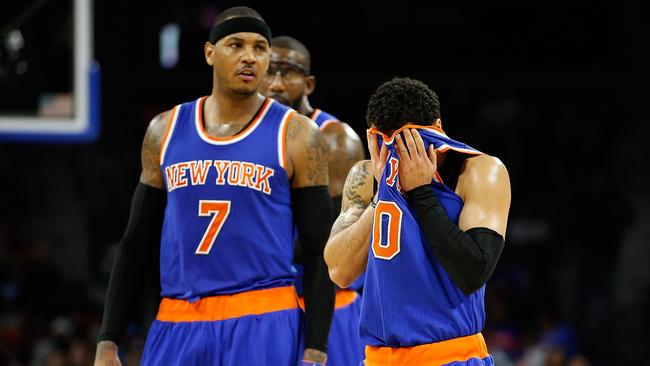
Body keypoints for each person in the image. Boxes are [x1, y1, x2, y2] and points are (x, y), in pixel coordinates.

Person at [93, 6, 335, 366]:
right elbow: (136, 243)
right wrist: (108, 341)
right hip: (178, 319)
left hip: (262, 318)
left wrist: (315, 350)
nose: (249, 57)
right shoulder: (165, 130)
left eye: (259, 48)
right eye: (236, 45)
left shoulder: (298, 134)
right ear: (210, 53)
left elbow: (319, 251)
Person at [324, 77, 511, 365]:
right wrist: (385, 194)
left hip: (450, 355)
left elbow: (475, 271)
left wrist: (422, 193)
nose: (401, 156)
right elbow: (339, 271)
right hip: (378, 358)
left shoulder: (479, 169)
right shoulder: (365, 176)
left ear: (438, 129)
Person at [260, 35, 366, 366]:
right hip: (271, 303)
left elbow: (331, 245)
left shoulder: (334, 139)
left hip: (331, 304)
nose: (276, 84)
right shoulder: (252, 134)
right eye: (269, 72)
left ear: (308, 83)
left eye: (286, 73)